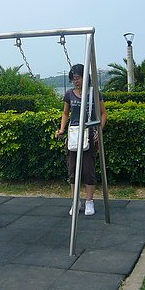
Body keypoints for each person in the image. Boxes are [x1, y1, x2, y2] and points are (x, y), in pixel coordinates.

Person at [55, 64, 107, 216]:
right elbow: (65, 113)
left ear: (85, 77)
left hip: (89, 134)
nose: (75, 81)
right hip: (73, 134)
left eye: (77, 78)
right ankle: (75, 200)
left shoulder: (93, 93)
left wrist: (99, 130)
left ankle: (89, 201)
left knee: (89, 169)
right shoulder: (69, 94)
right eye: (73, 79)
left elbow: (103, 114)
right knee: (73, 171)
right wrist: (62, 129)